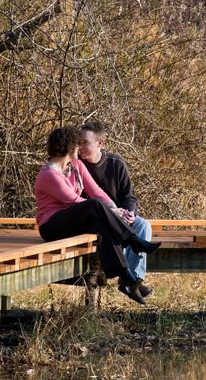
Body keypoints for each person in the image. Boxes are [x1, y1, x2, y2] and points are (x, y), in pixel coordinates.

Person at [34, 125, 160, 305]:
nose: (80, 147)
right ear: (69, 148)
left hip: (73, 220)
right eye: (77, 144)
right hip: (52, 225)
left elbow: (96, 191)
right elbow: (75, 201)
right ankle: (133, 240)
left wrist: (114, 209)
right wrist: (112, 211)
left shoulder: (76, 166)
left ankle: (129, 279)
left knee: (101, 228)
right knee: (92, 205)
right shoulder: (49, 174)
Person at [75, 120, 153, 299]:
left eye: (85, 142)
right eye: (78, 142)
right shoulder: (76, 165)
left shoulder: (115, 163)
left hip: (118, 214)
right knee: (116, 228)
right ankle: (128, 279)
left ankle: (134, 280)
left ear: (100, 143)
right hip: (94, 219)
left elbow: (129, 195)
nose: (80, 146)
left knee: (143, 226)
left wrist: (129, 213)